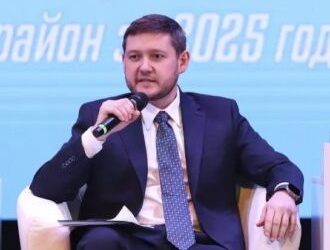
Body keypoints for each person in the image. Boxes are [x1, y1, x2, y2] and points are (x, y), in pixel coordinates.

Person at [30, 14, 303, 249]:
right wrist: (95, 137)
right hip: (126, 240)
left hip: (201, 241)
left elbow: (278, 166)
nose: (144, 67)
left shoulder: (220, 114)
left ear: (182, 61)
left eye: (157, 57)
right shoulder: (99, 115)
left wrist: (283, 194)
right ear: (123, 61)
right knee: (100, 243)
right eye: (134, 57)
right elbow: (46, 187)